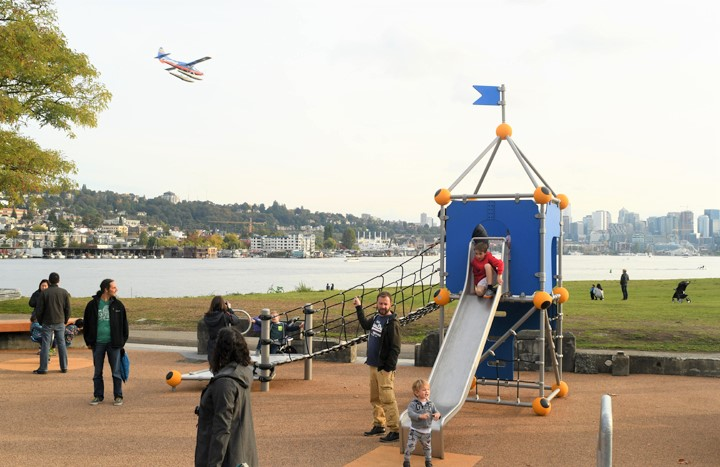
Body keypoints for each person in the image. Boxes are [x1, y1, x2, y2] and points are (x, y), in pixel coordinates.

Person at [195, 326, 258, 467]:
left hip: (228, 458)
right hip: (242, 453)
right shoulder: (242, 373)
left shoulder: (225, 382)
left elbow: (222, 429)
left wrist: (213, 464)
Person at [354, 292, 401, 443]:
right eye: (380, 304)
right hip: (373, 365)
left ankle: (395, 429)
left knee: (387, 398)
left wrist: (388, 367)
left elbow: (395, 348)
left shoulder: (392, 323)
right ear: (377, 304)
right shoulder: (376, 318)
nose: (383, 307)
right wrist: (359, 307)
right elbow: (364, 325)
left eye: (385, 304)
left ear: (390, 305)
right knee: (375, 398)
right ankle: (379, 424)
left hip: (384, 368)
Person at [83, 279, 129, 406]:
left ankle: (118, 396)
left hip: (114, 344)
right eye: (113, 287)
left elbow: (124, 324)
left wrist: (122, 341)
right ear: (106, 289)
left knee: (116, 371)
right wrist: (88, 341)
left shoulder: (118, 305)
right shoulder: (92, 305)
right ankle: (98, 395)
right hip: (97, 343)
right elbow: (86, 324)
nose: (116, 289)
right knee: (97, 371)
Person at [34, 272, 71, 375]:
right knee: (61, 344)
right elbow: (68, 309)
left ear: (49, 281)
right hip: (60, 321)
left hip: (47, 321)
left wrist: (41, 321)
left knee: (45, 344)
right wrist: (65, 320)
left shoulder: (44, 293)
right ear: (58, 281)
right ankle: (64, 367)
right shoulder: (64, 292)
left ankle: (43, 368)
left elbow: (39, 310)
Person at [403, 379, 441, 467]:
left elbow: (437, 412)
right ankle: (406, 462)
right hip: (415, 431)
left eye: (428, 389)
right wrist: (420, 416)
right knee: (410, 446)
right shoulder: (413, 404)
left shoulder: (430, 404)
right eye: (424, 390)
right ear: (416, 393)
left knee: (427, 448)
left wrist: (437, 415)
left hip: (426, 432)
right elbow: (410, 413)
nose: (426, 391)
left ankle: (428, 462)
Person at [203, 296, 241, 363]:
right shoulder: (225, 315)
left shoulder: (207, 317)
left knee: (214, 366)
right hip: (224, 344)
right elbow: (236, 320)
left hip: (212, 345)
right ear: (222, 304)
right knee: (225, 367)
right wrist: (229, 309)